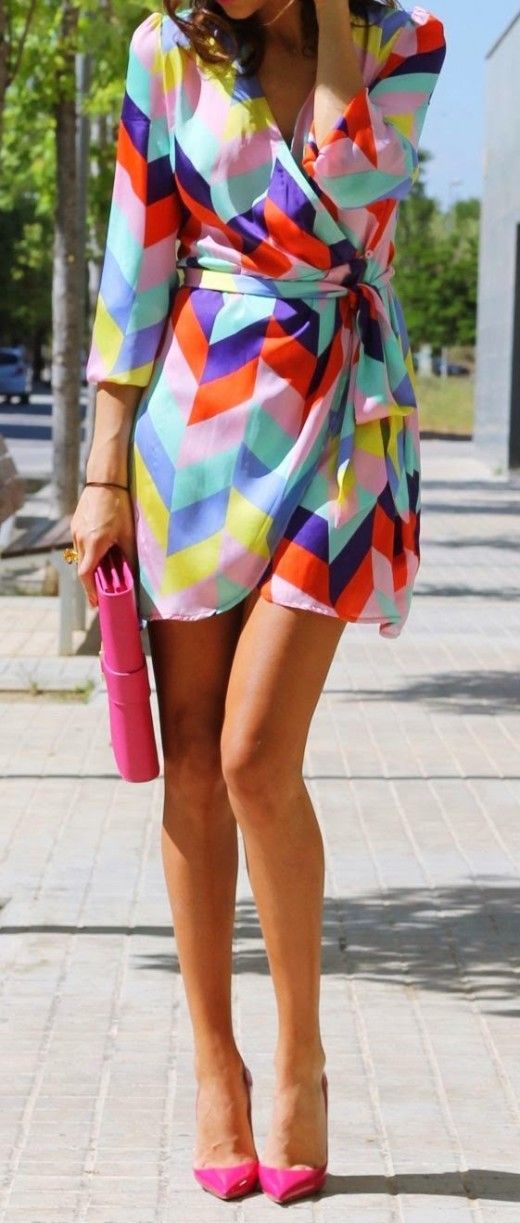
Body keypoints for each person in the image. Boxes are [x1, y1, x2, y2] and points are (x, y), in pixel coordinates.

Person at [71, 0, 446, 1205]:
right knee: (191, 757)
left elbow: (350, 198)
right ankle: (215, 1067)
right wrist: (101, 470)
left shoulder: (403, 43)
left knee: (251, 755)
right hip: (196, 425)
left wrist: (330, 22)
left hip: (343, 427)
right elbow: (137, 254)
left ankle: (299, 1057)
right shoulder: (164, 50)